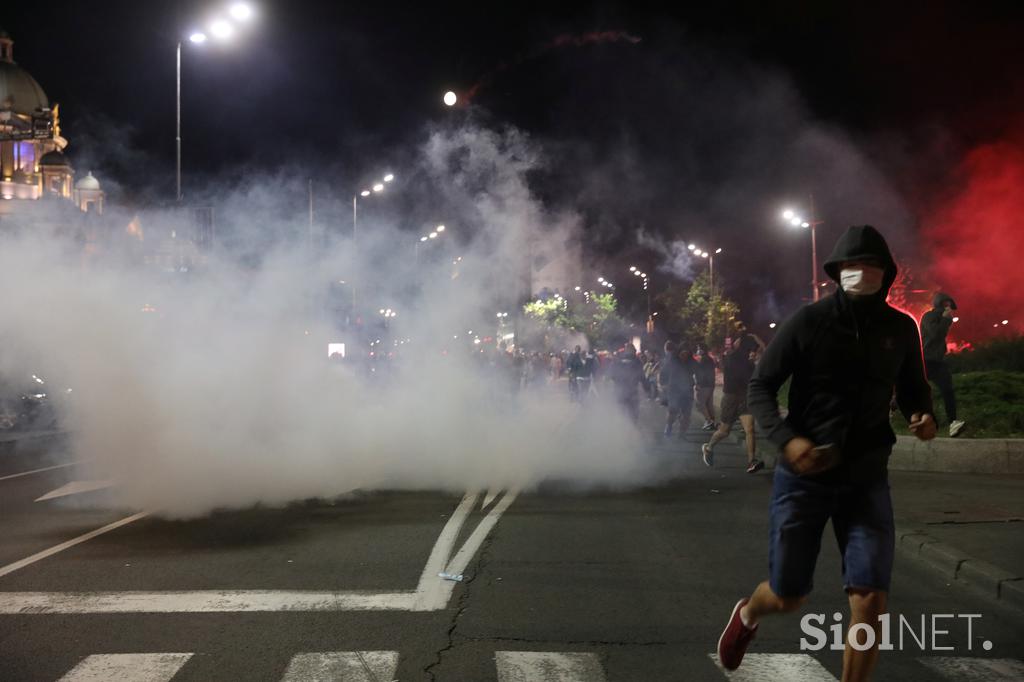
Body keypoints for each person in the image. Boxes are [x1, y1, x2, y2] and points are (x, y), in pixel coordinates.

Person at [715, 225, 936, 682]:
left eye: (871, 265)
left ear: (887, 273)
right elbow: (761, 386)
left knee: (871, 598)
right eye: (851, 266)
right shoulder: (809, 322)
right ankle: (748, 614)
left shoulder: (900, 327)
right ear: (837, 272)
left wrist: (922, 416)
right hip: (804, 477)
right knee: (788, 595)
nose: (861, 273)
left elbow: (915, 390)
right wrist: (789, 440)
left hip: (866, 478)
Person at [701, 321, 765, 472]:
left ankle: (751, 461)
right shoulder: (730, 357)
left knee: (750, 429)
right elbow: (735, 352)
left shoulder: (750, 362)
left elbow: (765, 350)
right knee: (724, 431)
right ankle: (708, 448)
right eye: (750, 350)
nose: (753, 353)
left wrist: (756, 339)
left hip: (745, 396)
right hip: (731, 398)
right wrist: (747, 342)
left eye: (754, 351)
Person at [921, 292, 965, 437]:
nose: (948, 308)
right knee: (914, 390)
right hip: (925, 360)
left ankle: (953, 422)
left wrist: (946, 320)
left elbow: (940, 337)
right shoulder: (929, 316)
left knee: (948, 390)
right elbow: (935, 334)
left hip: (938, 361)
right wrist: (946, 320)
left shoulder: (944, 318)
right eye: (946, 304)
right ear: (939, 303)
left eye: (950, 305)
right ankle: (893, 409)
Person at [659, 342, 696, 437]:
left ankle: (682, 434)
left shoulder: (692, 362)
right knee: (673, 411)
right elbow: (663, 373)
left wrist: (699, 383)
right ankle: (669, 426)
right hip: (674, 390)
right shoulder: (672, 361)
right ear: (679, 353)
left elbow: (699, 372)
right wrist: (663, 384)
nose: (684, 356)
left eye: (686, 354)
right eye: (682, 354)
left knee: (686, 415)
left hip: (688, 391)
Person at [608, 341, 645, 422]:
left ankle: (623, 427)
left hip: (620, 390)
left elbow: (611, 374)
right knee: (633, 413)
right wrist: (647, 388)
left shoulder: (617, 360)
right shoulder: (637, 361)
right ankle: (632, 427)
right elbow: (642, 376)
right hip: (632, 391)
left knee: (621, 411)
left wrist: (616, 381)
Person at [693, 344, 718, 430]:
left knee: (700, 403)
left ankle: (709, 421)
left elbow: (701, 373)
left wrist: (698, 384)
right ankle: (712, 421)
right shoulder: (710, 359)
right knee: (709, 403)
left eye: (699, 348)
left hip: (704, 385)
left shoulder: (703, 360)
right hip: (711, 384)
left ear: (702, 350)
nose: (698, 350)